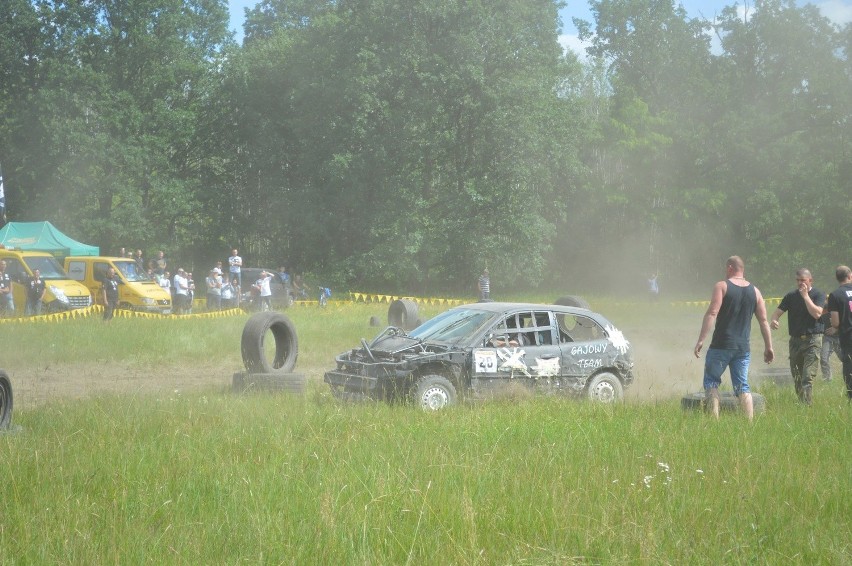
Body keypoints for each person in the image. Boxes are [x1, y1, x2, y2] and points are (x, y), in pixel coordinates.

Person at [693, 256, 774, 421]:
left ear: (730, 267)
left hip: (721, 345)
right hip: (743, 348)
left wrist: (701, 339)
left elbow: (712, 312)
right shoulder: (756, 291)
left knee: (711, 383)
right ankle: (749, 424)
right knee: (743, 386)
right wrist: (769, 347)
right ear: (742, 269)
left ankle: (714, 422)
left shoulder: (722, 286)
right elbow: (764, 321)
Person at [769, 268, 825, 405]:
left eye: (803, 280)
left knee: (807, 376)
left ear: (810, 280)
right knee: (797, 376)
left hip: (812, 339)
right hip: (795, 341)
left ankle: (807, 406)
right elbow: (777, 313)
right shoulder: (791, 296)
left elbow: (817, 314)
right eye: (798, 280)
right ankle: (801, 402)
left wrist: (806, 296)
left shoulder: (818, 294)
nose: (800, 283)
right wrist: (774, 320)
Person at [825, 265, 852, 401]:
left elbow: (835, 322)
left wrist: (835, 328)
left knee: (849, 367)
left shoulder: (835, 295)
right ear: (850, 276)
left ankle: (850, 396)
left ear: (837, 278)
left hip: (848, 337)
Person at [819, 311, 841, 382]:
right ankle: (827, 379)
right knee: (823, 358)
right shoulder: (821, 303)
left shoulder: (844, 302)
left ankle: (849, 376)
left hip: (841, 336)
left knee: (846, 358)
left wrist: (837, 328)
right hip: (827, 337)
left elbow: (848, 319)